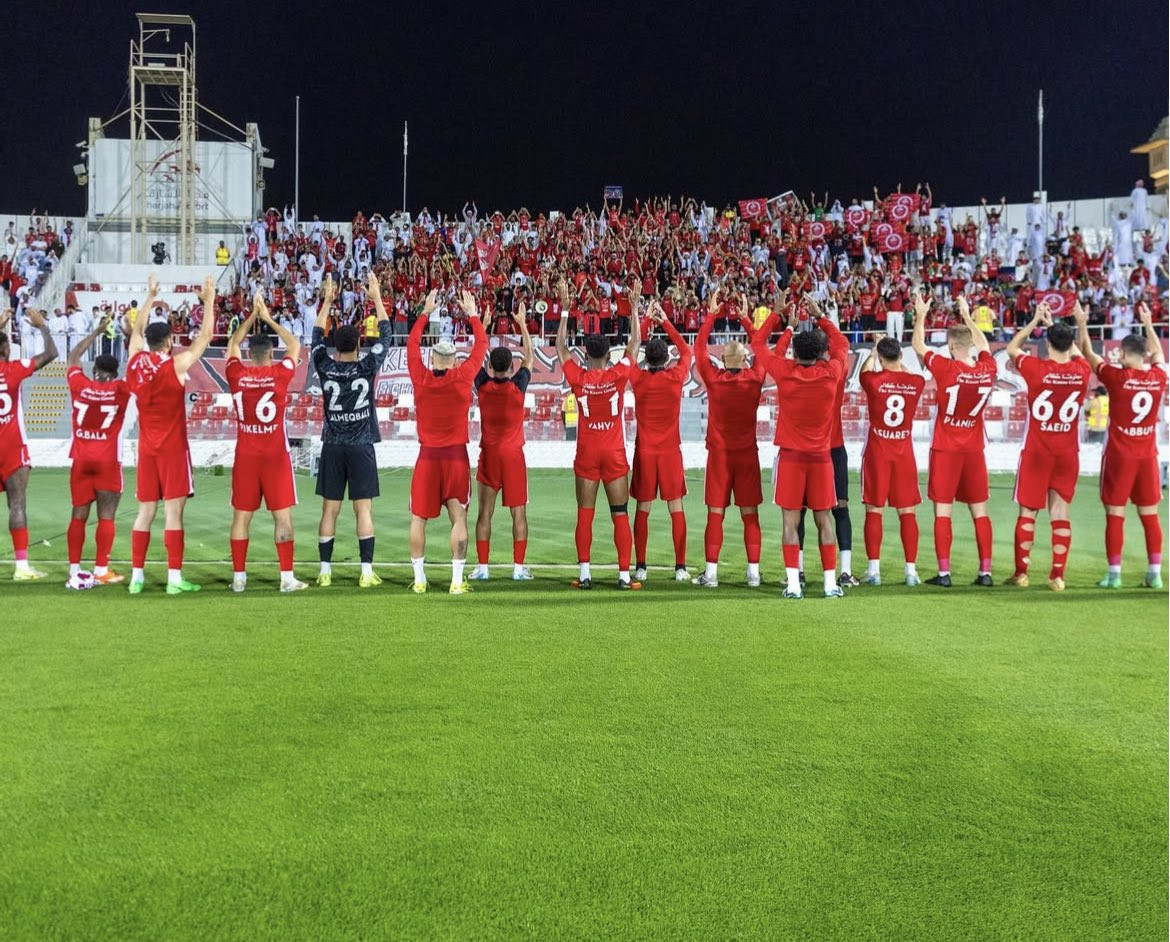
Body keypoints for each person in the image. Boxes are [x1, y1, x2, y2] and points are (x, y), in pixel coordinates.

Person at [752, 296, 849, 599]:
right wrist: (820, 317)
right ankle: (830, 584)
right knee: (825, 520)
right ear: (821, 353)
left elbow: (757, 344)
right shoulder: (832, 372)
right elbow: (842, 343)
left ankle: (794, 585)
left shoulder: (785, 370)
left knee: (790, 522)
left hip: (791, 458)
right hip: (821, 458)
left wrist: (783, 322)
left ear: (795, 353)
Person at [125, 275, 216, 594]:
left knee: (145, 513)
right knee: (173, 514)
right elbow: (205, 338)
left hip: (147, 449)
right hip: (173, 450)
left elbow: (136, 333)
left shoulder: (135, 361)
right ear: (169, 342)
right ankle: (174, 579)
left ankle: (136, 578)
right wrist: (209, 301)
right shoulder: (175, 366)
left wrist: (150, 296)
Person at [556, 279, 642, 590]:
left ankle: (585, 575)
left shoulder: (578, 377)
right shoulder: (618, 374)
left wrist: (565, 310)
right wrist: (634, 309)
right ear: (608, 355)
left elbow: (560, 348)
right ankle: (623, 576)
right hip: (614, 454)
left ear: (587, 354)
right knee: (620, 514)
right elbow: (635, 344)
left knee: (585, 514)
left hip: (587, 454)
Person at [1076, 301, 1167, 588]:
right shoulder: (1158, 377)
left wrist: (1082, 323)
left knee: (1115, 515)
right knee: (1150, 515)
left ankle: (1114, 574)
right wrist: (1149, 324)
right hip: (1147, 456)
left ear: (1124, 354)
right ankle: (1154, 574)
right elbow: (1159, 355)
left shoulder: (1116, 378)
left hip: (1119, 456)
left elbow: (1088, 353)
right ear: (1146, 354)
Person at [1002, 302, 1091, 590]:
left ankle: (1022, 573)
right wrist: (1068, 326)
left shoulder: (1036, 368)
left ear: (1047, 343)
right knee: (1060, 513)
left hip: (1037, 451)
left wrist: (1035, 321)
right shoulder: (1082, 371)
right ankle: (1057, 576)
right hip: (1067, 453)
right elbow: (1078, 353)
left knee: (1028, 512)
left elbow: (1012, 348)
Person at [911, 292, 998, 587]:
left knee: (943, 510)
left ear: (949, 347)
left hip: (945, 449)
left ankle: (944, 573)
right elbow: (984, 346)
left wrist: (921, 314)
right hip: (974, 450)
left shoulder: (946, 368)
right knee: (980, 511)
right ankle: (985, 572)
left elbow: (918, 345)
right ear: (970, 344)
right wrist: (968, 317)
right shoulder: (988, 369)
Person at [312, 273, 392, 588]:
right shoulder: (366, 366)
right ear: (359, 345)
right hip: (361, 445)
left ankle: (325, 571)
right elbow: (387, 336)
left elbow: (316, 337)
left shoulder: (324, 364)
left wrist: (327, 302)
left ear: (335, 346)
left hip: (333, 445)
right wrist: (377, 299)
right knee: (363, 509)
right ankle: (366, 572)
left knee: (329, 509)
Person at [407, 289, 488, 594]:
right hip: (455, 458)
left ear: (432, 359)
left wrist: (425, 313)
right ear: (454, 362)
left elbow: (411, 345)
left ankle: (419, 580)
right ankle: (456, 581)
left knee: (418, 519)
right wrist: (473, 315)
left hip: (427, 457)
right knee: (459, 517)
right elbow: (481, 346)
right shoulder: (463, 376)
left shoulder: (420, 376)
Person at [225, 291, 306, 593]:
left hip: (246, 456)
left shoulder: (236, 374)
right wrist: (269, 319)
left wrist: (251, 316)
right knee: (282, 517)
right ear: (272, 354)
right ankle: (286, 578)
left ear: (250, 355)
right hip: (275, 456)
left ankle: (239, 579)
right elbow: (295, 345)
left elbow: (232, 344)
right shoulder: (280, 374)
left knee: (241, 517)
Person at [691, 291, 766, 588]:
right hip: (747, 455)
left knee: (715, 515)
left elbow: (698, 349)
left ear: (722, 360)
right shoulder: (756, 377)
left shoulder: (714, 379)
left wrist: (711, 315)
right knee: (750, 516)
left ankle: (711, 574)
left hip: (720, 456)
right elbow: (762, 349)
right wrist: (746, 319)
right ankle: (754, 574)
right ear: (745, 360)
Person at [629, 298, 694, 582]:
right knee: (675, 508)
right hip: (669, 452)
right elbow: (687, 351)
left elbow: (630, 352)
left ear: (647, 358)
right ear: (667, 359)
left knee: (643, 508)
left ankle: (641, 566)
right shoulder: (675, 376)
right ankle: (680, 567)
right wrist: (665, 321)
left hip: (645, 451)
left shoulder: (638, 379)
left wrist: (645, 319)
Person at [470, 302, 534, 582]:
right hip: (513, 456)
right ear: (511, 366)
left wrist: (482, 326)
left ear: (490, 367)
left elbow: (474, 357)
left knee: (485, 513)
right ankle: (518, 569)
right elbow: (529, 357)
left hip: (489, 454)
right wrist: (523, 326)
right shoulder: (518, 385)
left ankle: (483, 568)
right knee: (518, 514)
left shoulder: (482, 385)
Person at [65, 315, 130, 588]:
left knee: (78, 515)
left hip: (80, 460)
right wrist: (128, 335)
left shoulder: (80, 384)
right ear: (115, 373)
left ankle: (74, 570)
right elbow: (137, 368)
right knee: (107, 516)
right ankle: (101, 570)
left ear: (94, 370)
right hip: (107, 461)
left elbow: (73, 356)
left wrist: (97, 331)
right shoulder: (121, 389)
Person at [858, 336, 926, 586]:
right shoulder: (916, 382)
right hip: (904, 453)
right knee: (907, 511)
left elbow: (864, 372)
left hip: (878, 452)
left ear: (881, 357)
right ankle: (911, 572)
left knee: (874, 509)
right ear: (901, 355)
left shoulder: (873, 380)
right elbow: (907, 373)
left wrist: (873, 353)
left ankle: (874, 571)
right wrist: (897, 362)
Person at [0, 308, 57, 580]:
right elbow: (51, 353)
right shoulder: (14, 369)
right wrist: (42, 326)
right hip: (12, 447)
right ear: (5, 349)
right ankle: (21, 567)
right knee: (17, 504)